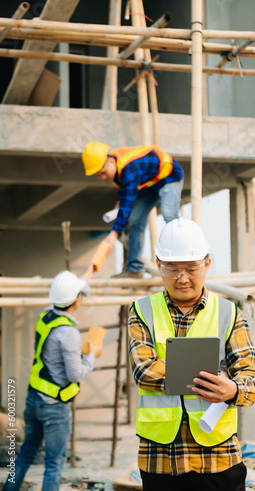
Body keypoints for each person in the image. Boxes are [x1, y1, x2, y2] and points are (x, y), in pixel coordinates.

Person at [128, 218, 255, 491]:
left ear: (207, 264)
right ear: (158, 264)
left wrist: (232, 389)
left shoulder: (228, 312)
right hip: (161, 459)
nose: (182, 278)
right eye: (172, 268)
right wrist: (214, 376)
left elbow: (253, 377)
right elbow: (143, 372)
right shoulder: (142, 310)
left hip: (218, 458)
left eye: (191, 268)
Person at [3, 271, 103, 491]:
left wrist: (85, 278)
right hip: (54, 407)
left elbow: (65, 294)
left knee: (26, 454)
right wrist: (92, 355)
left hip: (34, 399)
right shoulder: (68, 332)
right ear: (76, 299)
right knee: (54, 464)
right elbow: (75, 375)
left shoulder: (45, 316)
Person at [81, 142, 184, 278]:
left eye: (103, 173)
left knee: (169, 214)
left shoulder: (129, 168)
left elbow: (127, 202)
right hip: (149, 185)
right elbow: (126, 193)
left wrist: (113, 234)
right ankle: (135, 269)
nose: (103, 178)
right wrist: (120, 201)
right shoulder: (117, 170)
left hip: (169, 177)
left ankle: (183, 259)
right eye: (98, 176)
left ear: (111, 161)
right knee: (135, 220)